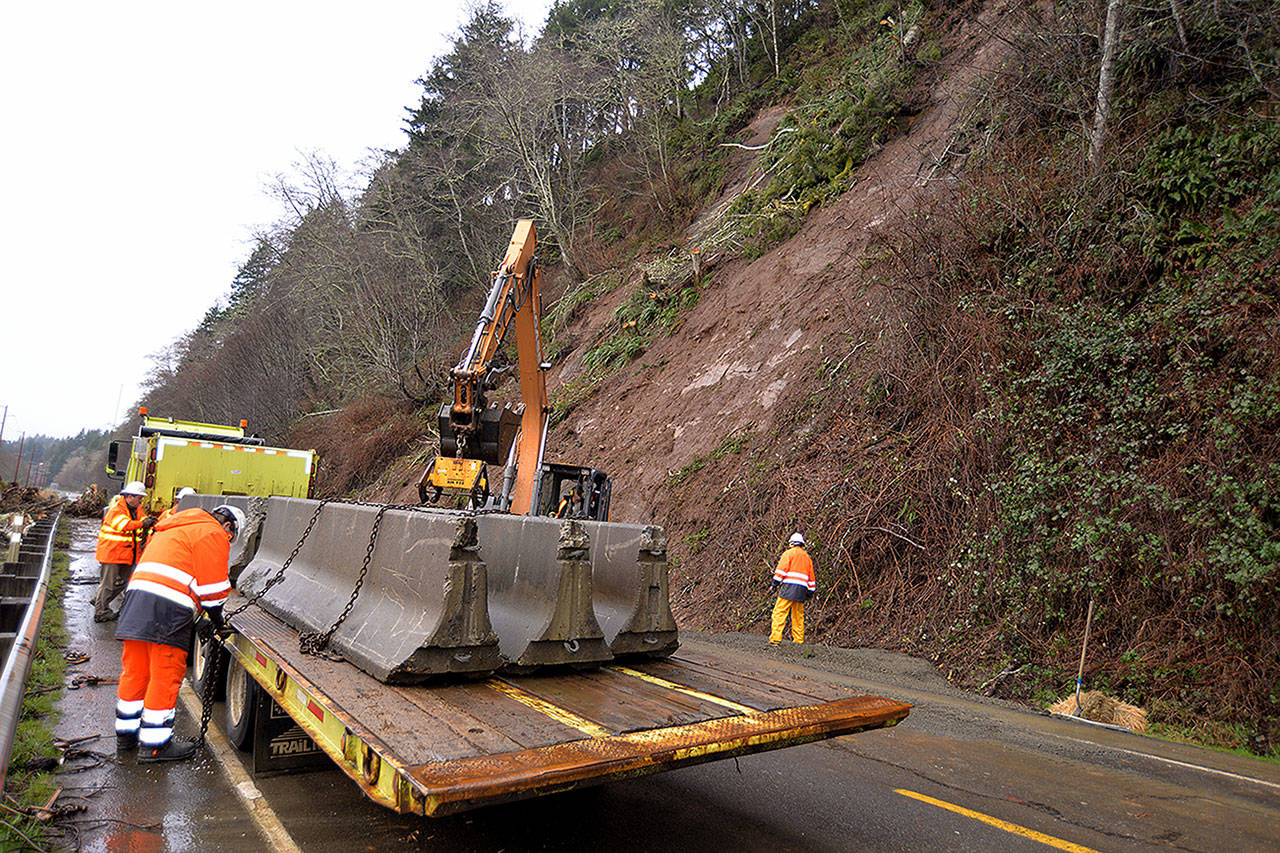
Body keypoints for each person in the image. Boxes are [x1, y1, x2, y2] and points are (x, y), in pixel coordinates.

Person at [114, 503, 245, 762]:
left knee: (135, 672)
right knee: (165, 675)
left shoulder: (174, 527)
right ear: (228, 526)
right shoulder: (213, 533)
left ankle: (126, 737)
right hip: (167, 611)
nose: (227, 541)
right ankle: (155, 746)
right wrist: (217, 622)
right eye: (231, 537)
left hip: (136, 604)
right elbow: (214, 589)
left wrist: (203, 616)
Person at [93, 481, 155, 622]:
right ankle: (100, 612)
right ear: (130, 497)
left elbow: (142, 519)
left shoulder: (135, 509)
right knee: (108, 584)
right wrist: (142, 524)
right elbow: (124, 525)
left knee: (123, 582)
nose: (141, 501)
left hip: (126, 554)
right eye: (139, 498)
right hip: (112, 553)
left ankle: (99, 600)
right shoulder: (116, 510)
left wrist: (148, 521)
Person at [769, 533, 816, 645]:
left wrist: (775, 583)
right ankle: (798, 641)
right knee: (798, 616)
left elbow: (781, 570)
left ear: (791, 543)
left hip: (788, 588)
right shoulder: (807, 558)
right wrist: (810, 591)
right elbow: (811, 577)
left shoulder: (788, 554)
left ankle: (775, 639)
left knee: (779, 613)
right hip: (801, 590)